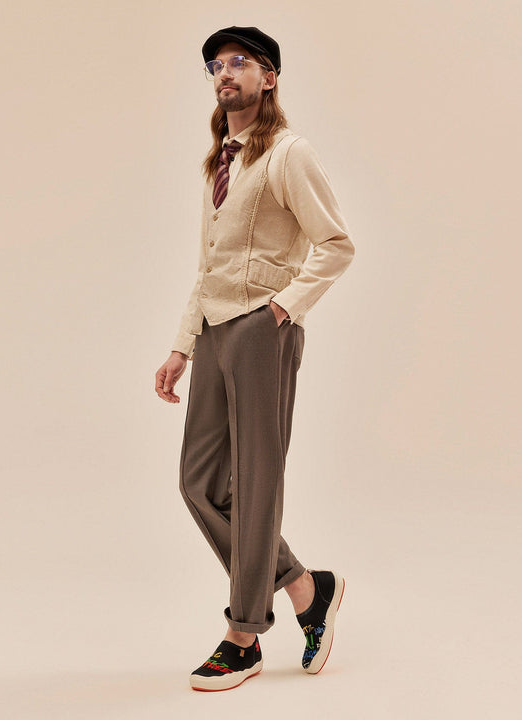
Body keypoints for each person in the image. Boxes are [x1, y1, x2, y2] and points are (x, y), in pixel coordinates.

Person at [154, 25, 355, 692]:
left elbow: (336, 245)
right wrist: (183, 344)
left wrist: (282, 310)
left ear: (268, 78)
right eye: (215, 65)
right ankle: (304, 587)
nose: (224, 73)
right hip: (216, 329)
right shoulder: (220, 161)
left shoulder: (288, 154)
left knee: (256, 481)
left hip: (263, 328)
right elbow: (208, 264)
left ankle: (244, 635)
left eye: (239, 62)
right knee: (200, 484)